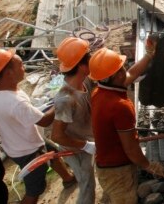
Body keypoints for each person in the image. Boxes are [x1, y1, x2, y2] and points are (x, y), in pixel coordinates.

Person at [0, 48, 76, 204]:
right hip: (28, 151)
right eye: (20, 65)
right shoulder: (16, 103)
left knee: (53, 153)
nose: (23, 68)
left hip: (17, 143)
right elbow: (45, 121)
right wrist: (59, 100)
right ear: (9, 73)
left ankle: (68, 178)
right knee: (35, 189)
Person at [90, 47, 164, 204]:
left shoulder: (99, 92)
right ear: (117, 75)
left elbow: (131, 74)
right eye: (121, 67)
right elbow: (131, 149)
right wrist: (150, 166)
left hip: (105, 164)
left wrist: (149, 55)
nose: (125, 69)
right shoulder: (119, 106)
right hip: (117, 171)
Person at [51, 37, 96, 204]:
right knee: (87, 185)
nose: (92, 58)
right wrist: (86, 145)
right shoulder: (66, 99)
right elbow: (56, 135)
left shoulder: (85, 81)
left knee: (89, 180)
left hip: (87, 139)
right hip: (75, 148)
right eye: (89, 56)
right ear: (81, 65)